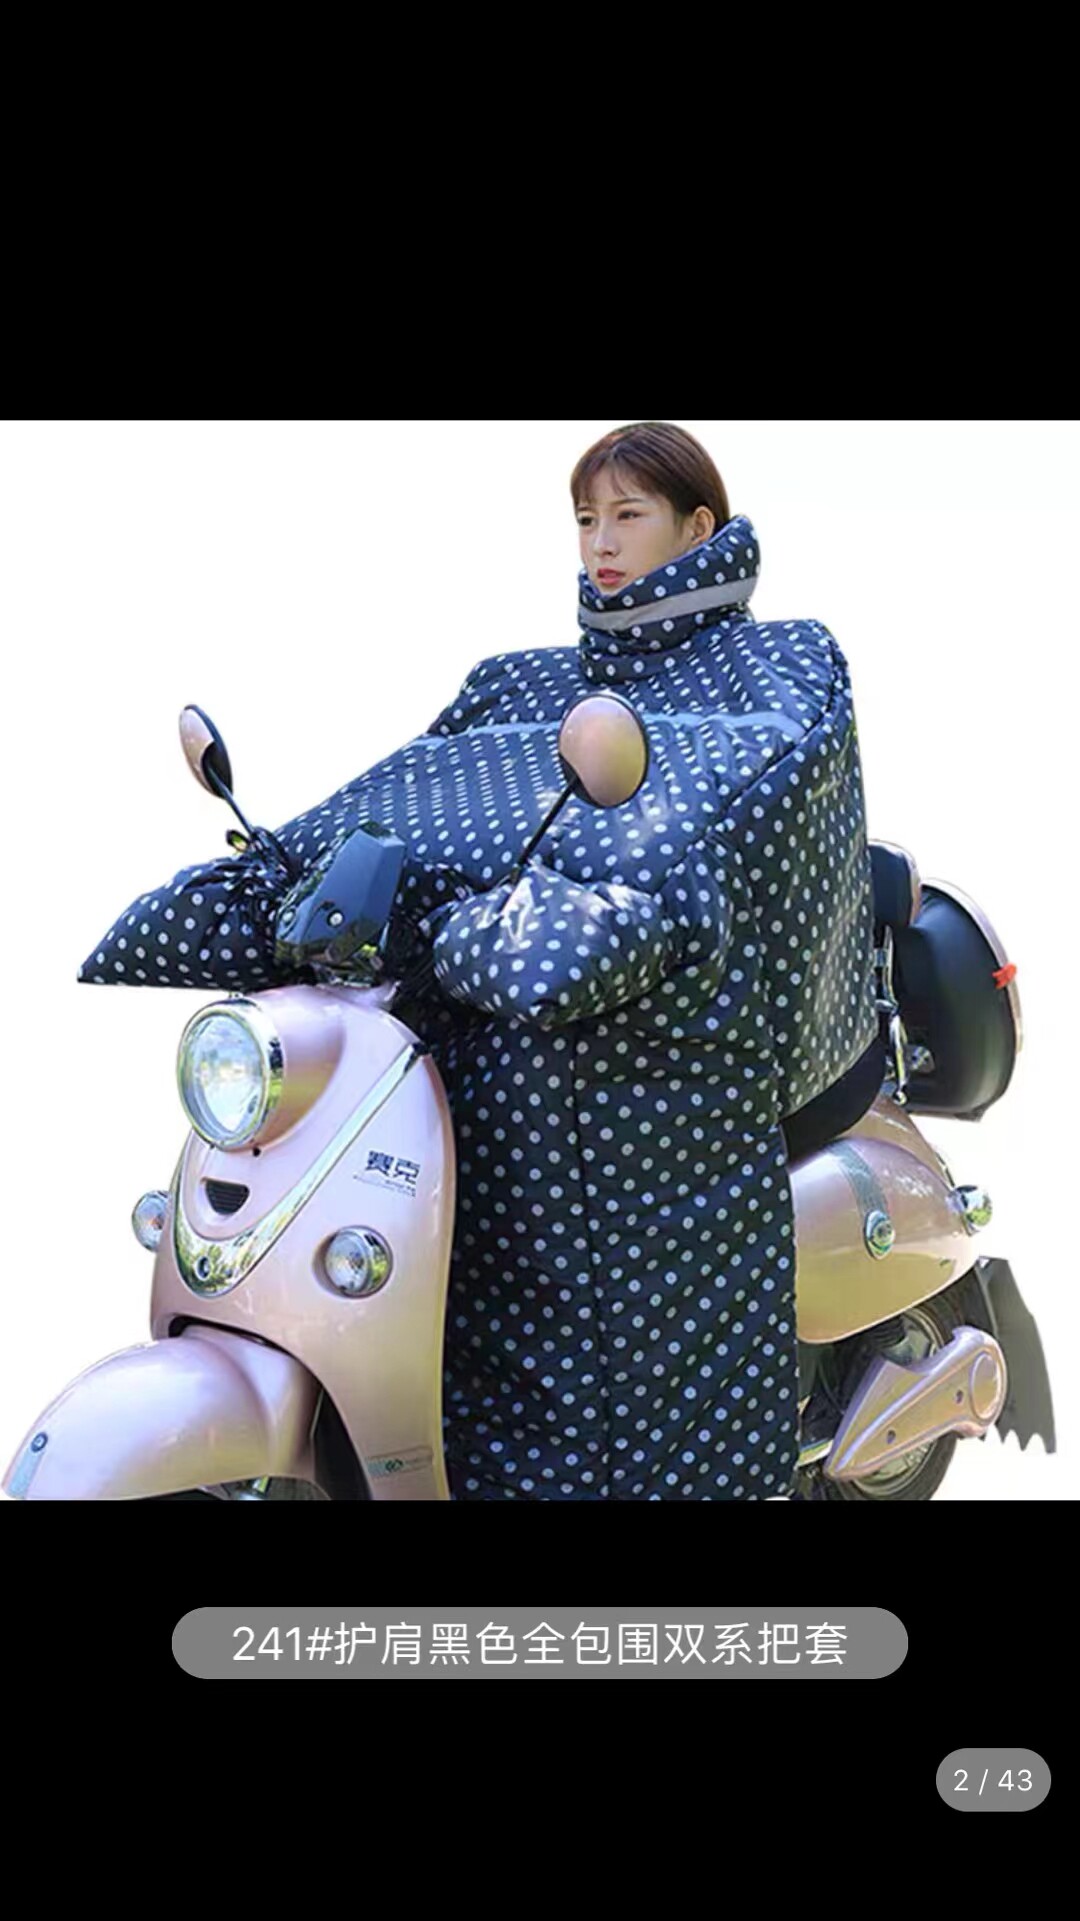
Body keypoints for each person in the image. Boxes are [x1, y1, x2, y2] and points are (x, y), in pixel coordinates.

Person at [78, 421, 883, 1501]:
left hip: (683, 1034)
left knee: (582, 1168)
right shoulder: (519, 683)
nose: (601, 542)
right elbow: (403, 795)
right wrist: (289, 876)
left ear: (699, 528)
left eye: (628, 515)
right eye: (586, 519)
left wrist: (558, 921)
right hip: (509, 1001)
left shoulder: (779, 665)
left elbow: (707, 822)